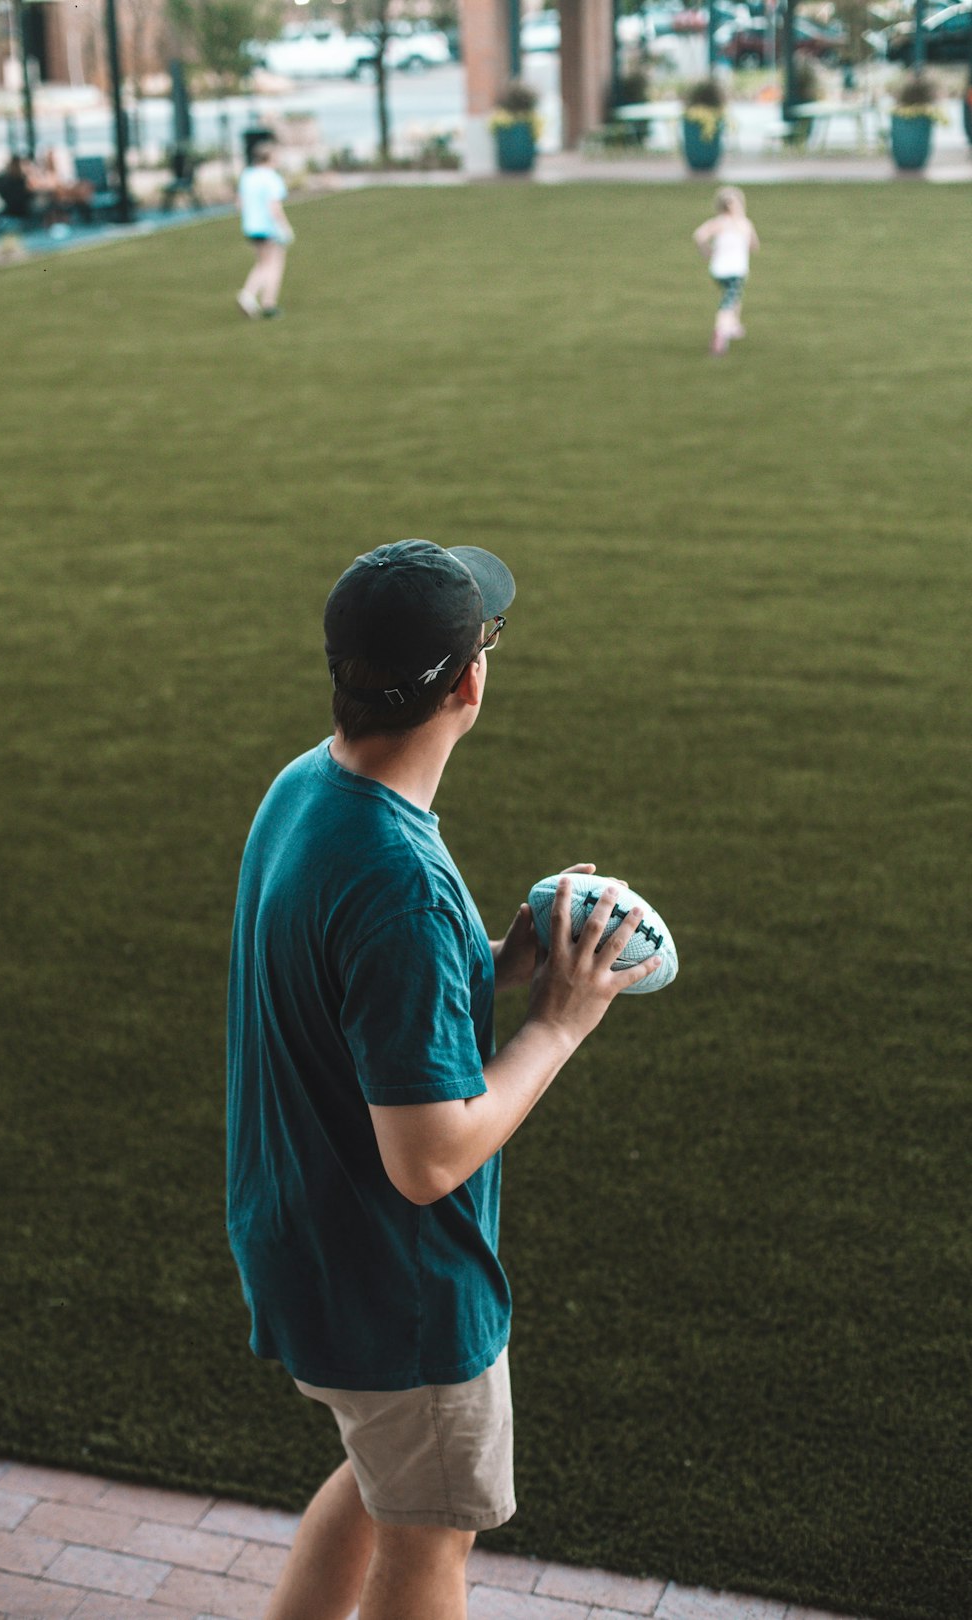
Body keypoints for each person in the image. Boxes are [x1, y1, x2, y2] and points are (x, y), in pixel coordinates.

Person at [226, 539, 660, 1620]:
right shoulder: (400, 885)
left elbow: (354, 982)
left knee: (385, 1479)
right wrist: (559, 1022)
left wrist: (496, 964)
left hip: (306, 1247)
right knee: (430, 1534)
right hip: (399, 1291)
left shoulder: (307, 790)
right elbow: (426, 1159)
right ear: (469, 682)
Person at [692, 185, 761, 357]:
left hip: (718, 270)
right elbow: (755, 246)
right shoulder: (744, 223)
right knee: (728, 302)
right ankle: (720, 334)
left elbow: (699, 235)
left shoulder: (718, 223)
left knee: (733, 295)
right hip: (736, 270)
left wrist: (706, 251)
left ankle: (734, 325)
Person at [236, 133, 293, 320]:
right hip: (268, 227)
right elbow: (274, 207)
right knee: (273, 264)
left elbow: (240, 203)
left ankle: (256, 298)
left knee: (262, 263)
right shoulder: (271, 178)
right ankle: (260, 300)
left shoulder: (247, 176)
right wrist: (284, 227)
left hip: (251, 227)